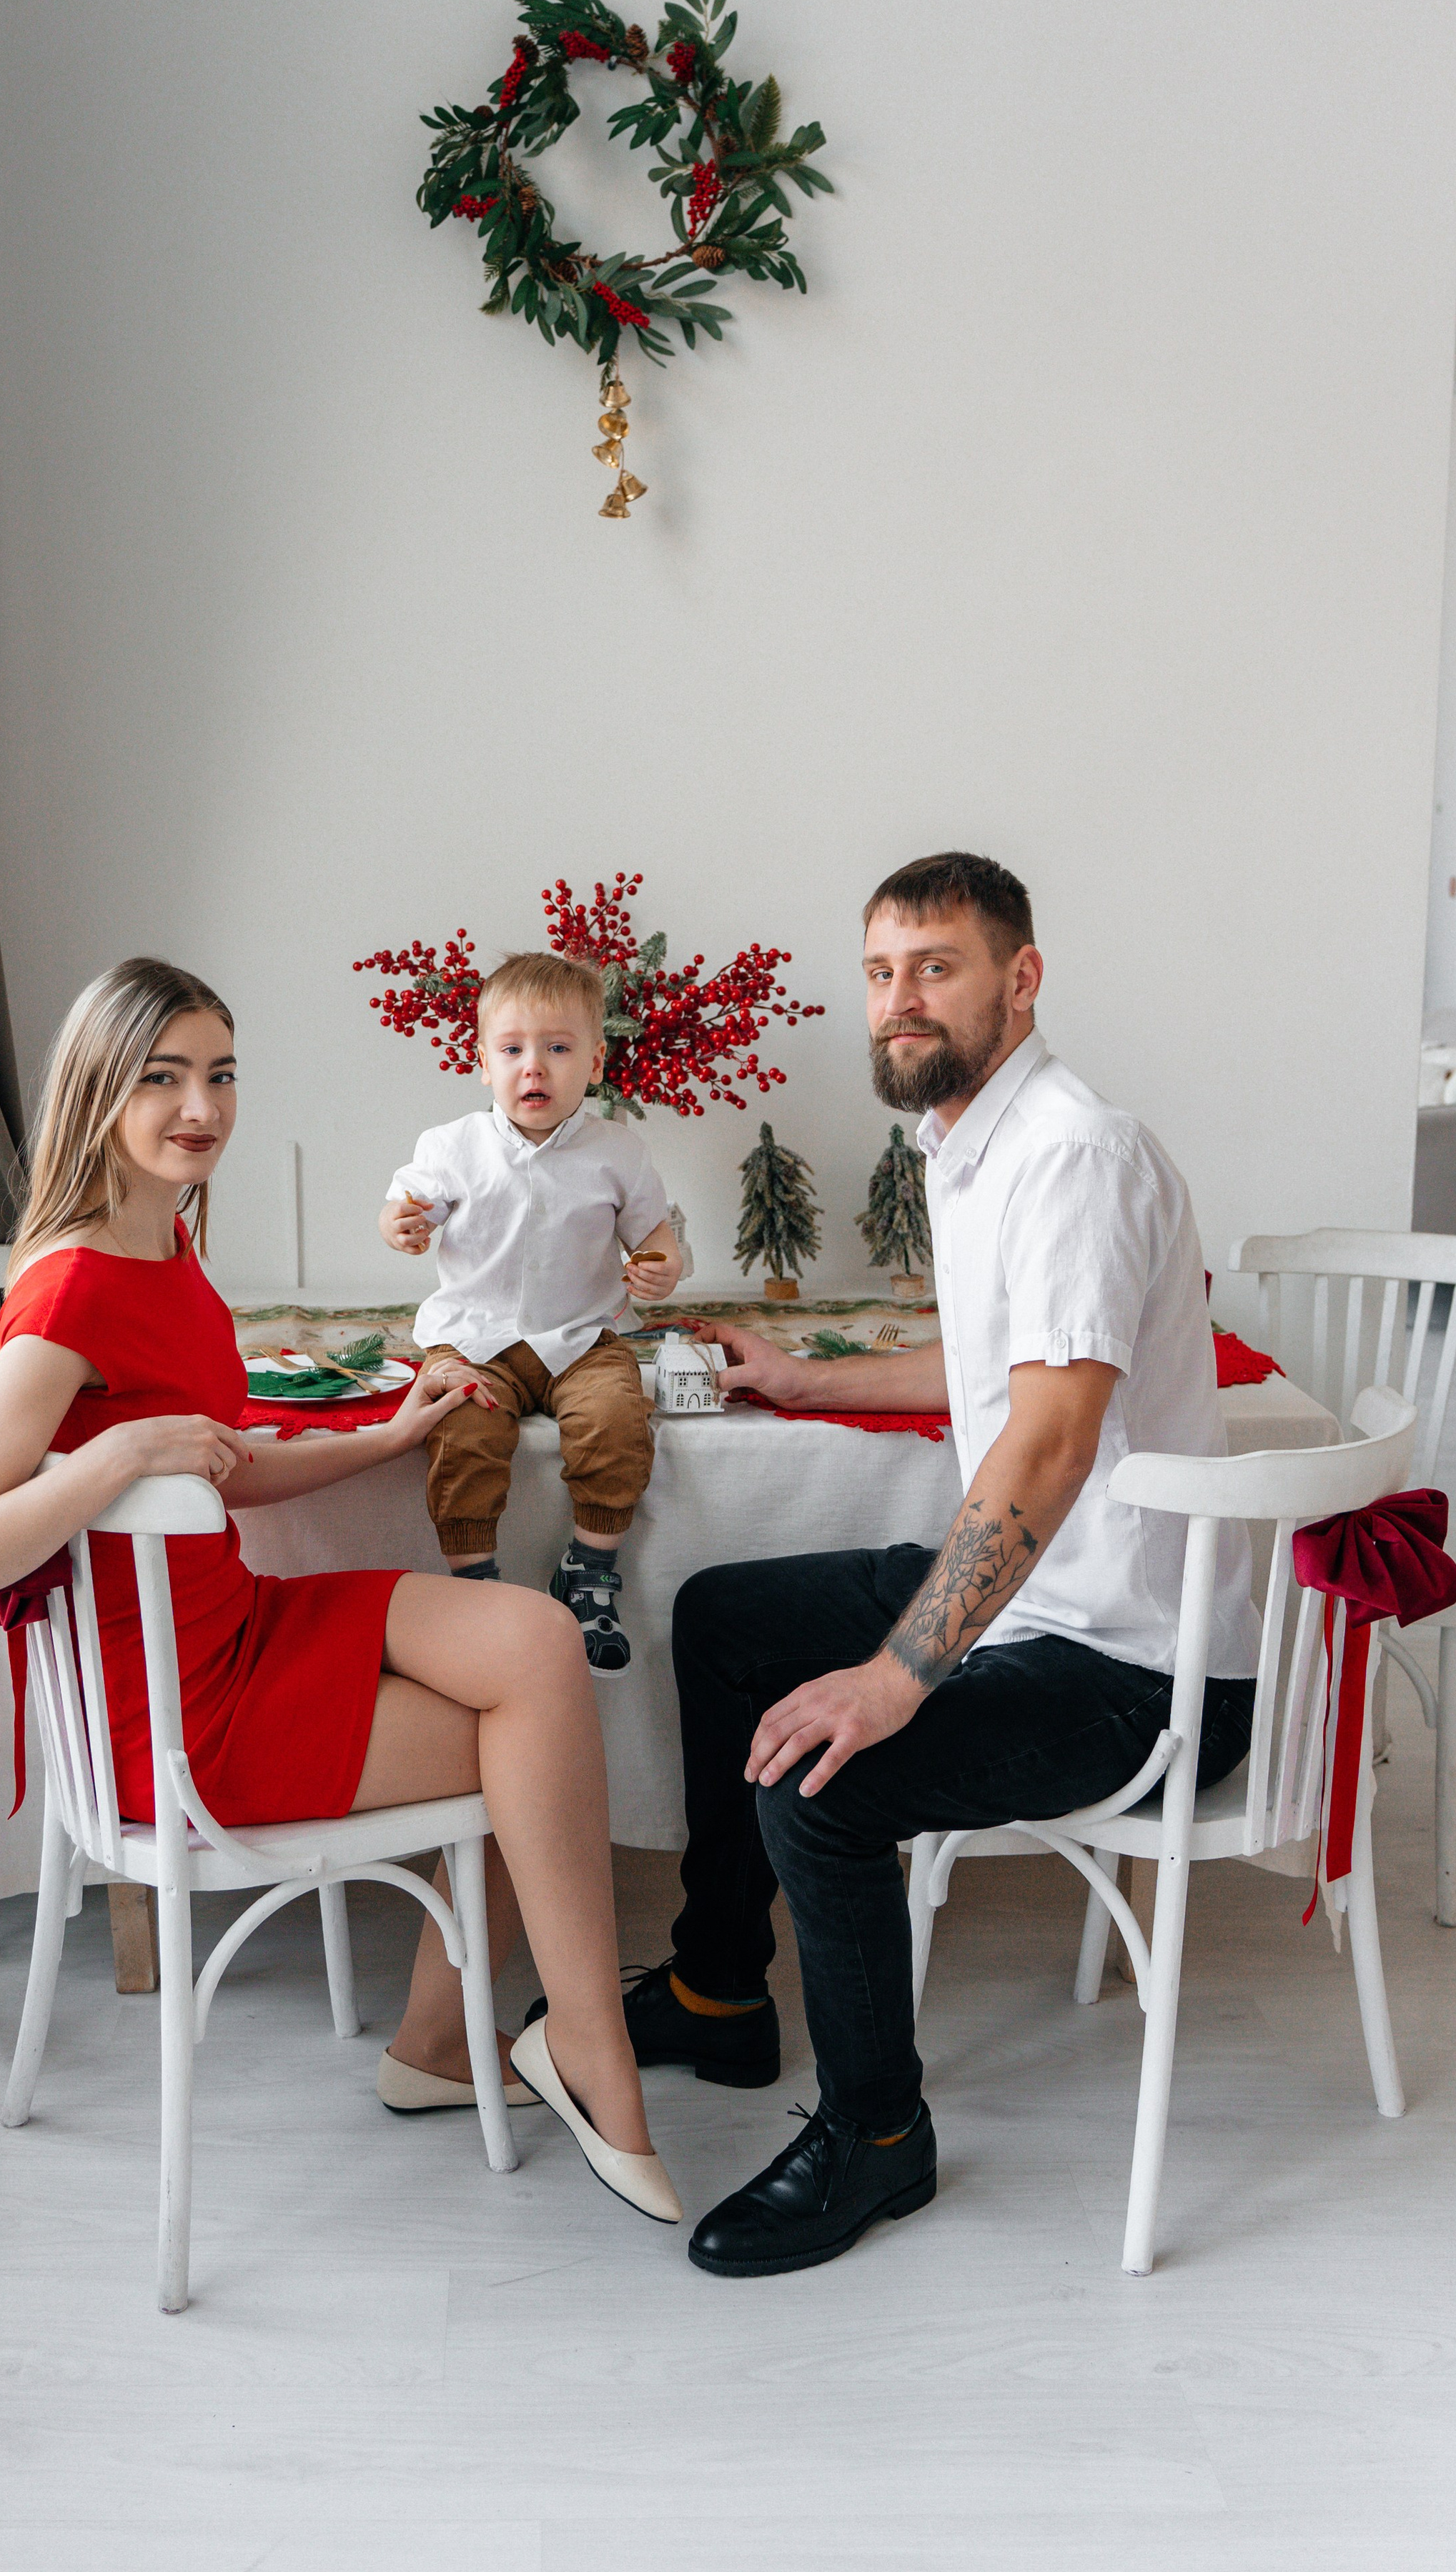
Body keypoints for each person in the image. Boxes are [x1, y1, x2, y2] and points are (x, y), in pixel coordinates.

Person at [551, 852, 1258, 2275]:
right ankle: (716, 1988)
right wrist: (809, 1382)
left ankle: (878, 2138)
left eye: (933, 966)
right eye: (878, 972)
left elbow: (1049, 1446)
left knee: (830, 1774)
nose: (897, 1001)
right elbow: (986, 1361)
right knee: (726, 1615)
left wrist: (892, 1677)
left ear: (1021, 976)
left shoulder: (1070, 1151)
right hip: (1044, 1607)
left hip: (1135, 1661)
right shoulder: (968, 1138)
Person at [0, 955, 680, 2227]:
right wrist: (108, 1457)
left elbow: (220, 1461)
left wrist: (383, 1439)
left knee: (537, 1639)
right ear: (99, 1090)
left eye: (218, 1074)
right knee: (526, 1731)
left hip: (240, 1627)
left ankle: (481, 2043)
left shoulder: (166, 1250)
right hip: (178, 1714)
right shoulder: (72, 1288)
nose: (199, 1105)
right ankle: (559, 2051)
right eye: (162, 1077)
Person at [380, 951, 683, 1671]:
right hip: (473, 1338)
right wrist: (401, 1223)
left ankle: (589, 1568)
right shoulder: (451, 1147)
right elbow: (404, 1207)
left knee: (618, 1419)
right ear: (482, 1061)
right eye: (512, 1049)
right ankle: (474, 1582)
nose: (534, 1068)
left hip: (582, 1337)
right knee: (460, 1429)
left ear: (597, 1060)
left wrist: (661, 1265)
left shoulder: (619, 1150)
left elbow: (656, 1235)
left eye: (557, 1047)